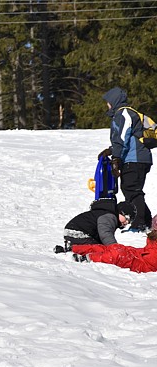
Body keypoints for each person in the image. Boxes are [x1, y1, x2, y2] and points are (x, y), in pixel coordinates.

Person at [100, 86, 153, 231]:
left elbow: (122, 137)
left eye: (108, 102)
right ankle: (146, 221)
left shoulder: (123, 113)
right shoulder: (126, 113)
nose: (107, 105)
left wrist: (116, 157)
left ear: (114, 101)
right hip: (137, 158)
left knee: (132, 190)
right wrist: (111, 151)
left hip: (135, 159)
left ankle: (140, 223)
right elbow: (129, 139)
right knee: (132, 189)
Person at [70, 217, 157, 272]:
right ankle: (74, 249)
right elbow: (148, 251)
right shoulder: (153, 239)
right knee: (114, 248)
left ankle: (88, 258)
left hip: (141, 265)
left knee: (117, 254)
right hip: (141, 255)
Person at [56, 199, 135, 252]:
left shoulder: (106, 213)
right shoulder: (110, 216)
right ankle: (73, 251)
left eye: (129, 221)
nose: (127, 222)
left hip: (72, 231)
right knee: (99, 250)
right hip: (80, 232)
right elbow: (105, 234)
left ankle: (71, 248)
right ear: (120, 212)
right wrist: (114, 248)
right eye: (127, 218)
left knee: (97, 247)